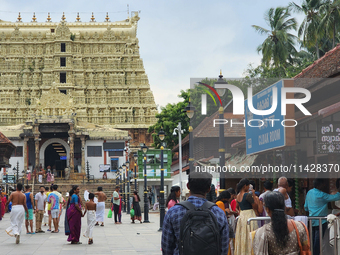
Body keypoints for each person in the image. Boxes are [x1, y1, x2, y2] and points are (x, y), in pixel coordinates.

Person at [162, 172, 229, 254]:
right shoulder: (219, 213)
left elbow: (167, 247)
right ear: (209, 189)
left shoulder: (173, 212)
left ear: (188, 186)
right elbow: (224, 248)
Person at [305, 178, 340, 255]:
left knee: (312, 241)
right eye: (323, 184)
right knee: (317, 243)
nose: (324, 185)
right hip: (320, 222)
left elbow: (306, 207)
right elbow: (335, 197)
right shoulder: (321, 195)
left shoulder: (309, 193)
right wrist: (338, 191)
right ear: (319, 185)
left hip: (311, 221)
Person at [234, 178, 258, 255]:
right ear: (245, 186)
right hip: (249, 215)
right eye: (248, 186)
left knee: (242, 235)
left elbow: (237, 207)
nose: (249, 187)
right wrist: (253, 194)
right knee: (250, 234)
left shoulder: (238, 196)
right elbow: (255, 206)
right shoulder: (247, 195)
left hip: (242, 216)